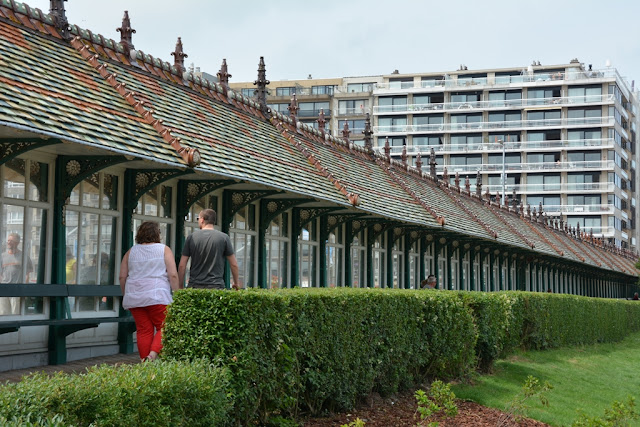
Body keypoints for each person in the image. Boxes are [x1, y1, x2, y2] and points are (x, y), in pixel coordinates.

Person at [119, 221, 180, 362]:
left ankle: (144, 362)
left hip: (135, 298)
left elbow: (122, 276)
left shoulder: (130, 252)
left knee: (143, 330)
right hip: (157, 296)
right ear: (157, 234)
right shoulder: (164, 250)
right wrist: (177, 294)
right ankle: (152, 355)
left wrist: (126, 294)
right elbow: (173, 275)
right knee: (165, 326)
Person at [178, 209, 241, 290]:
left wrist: (180, 286)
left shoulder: (191, 237)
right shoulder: (224, 238)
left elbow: (182, 265)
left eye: (198, 219)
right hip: (216, 286)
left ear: (202, 219)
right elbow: (234, 264)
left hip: (195, 286)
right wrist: (236, 283)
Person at [1, 233, 33, 315]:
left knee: (16, 314)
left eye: (11, 240)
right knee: (3, 313)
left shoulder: (24, 256)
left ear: (17, 242)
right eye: (8, 240)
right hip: (4, 289)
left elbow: (27, 275)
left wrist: (24, 290)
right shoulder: (2, 256)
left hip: (17, 289)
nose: (8, 242)